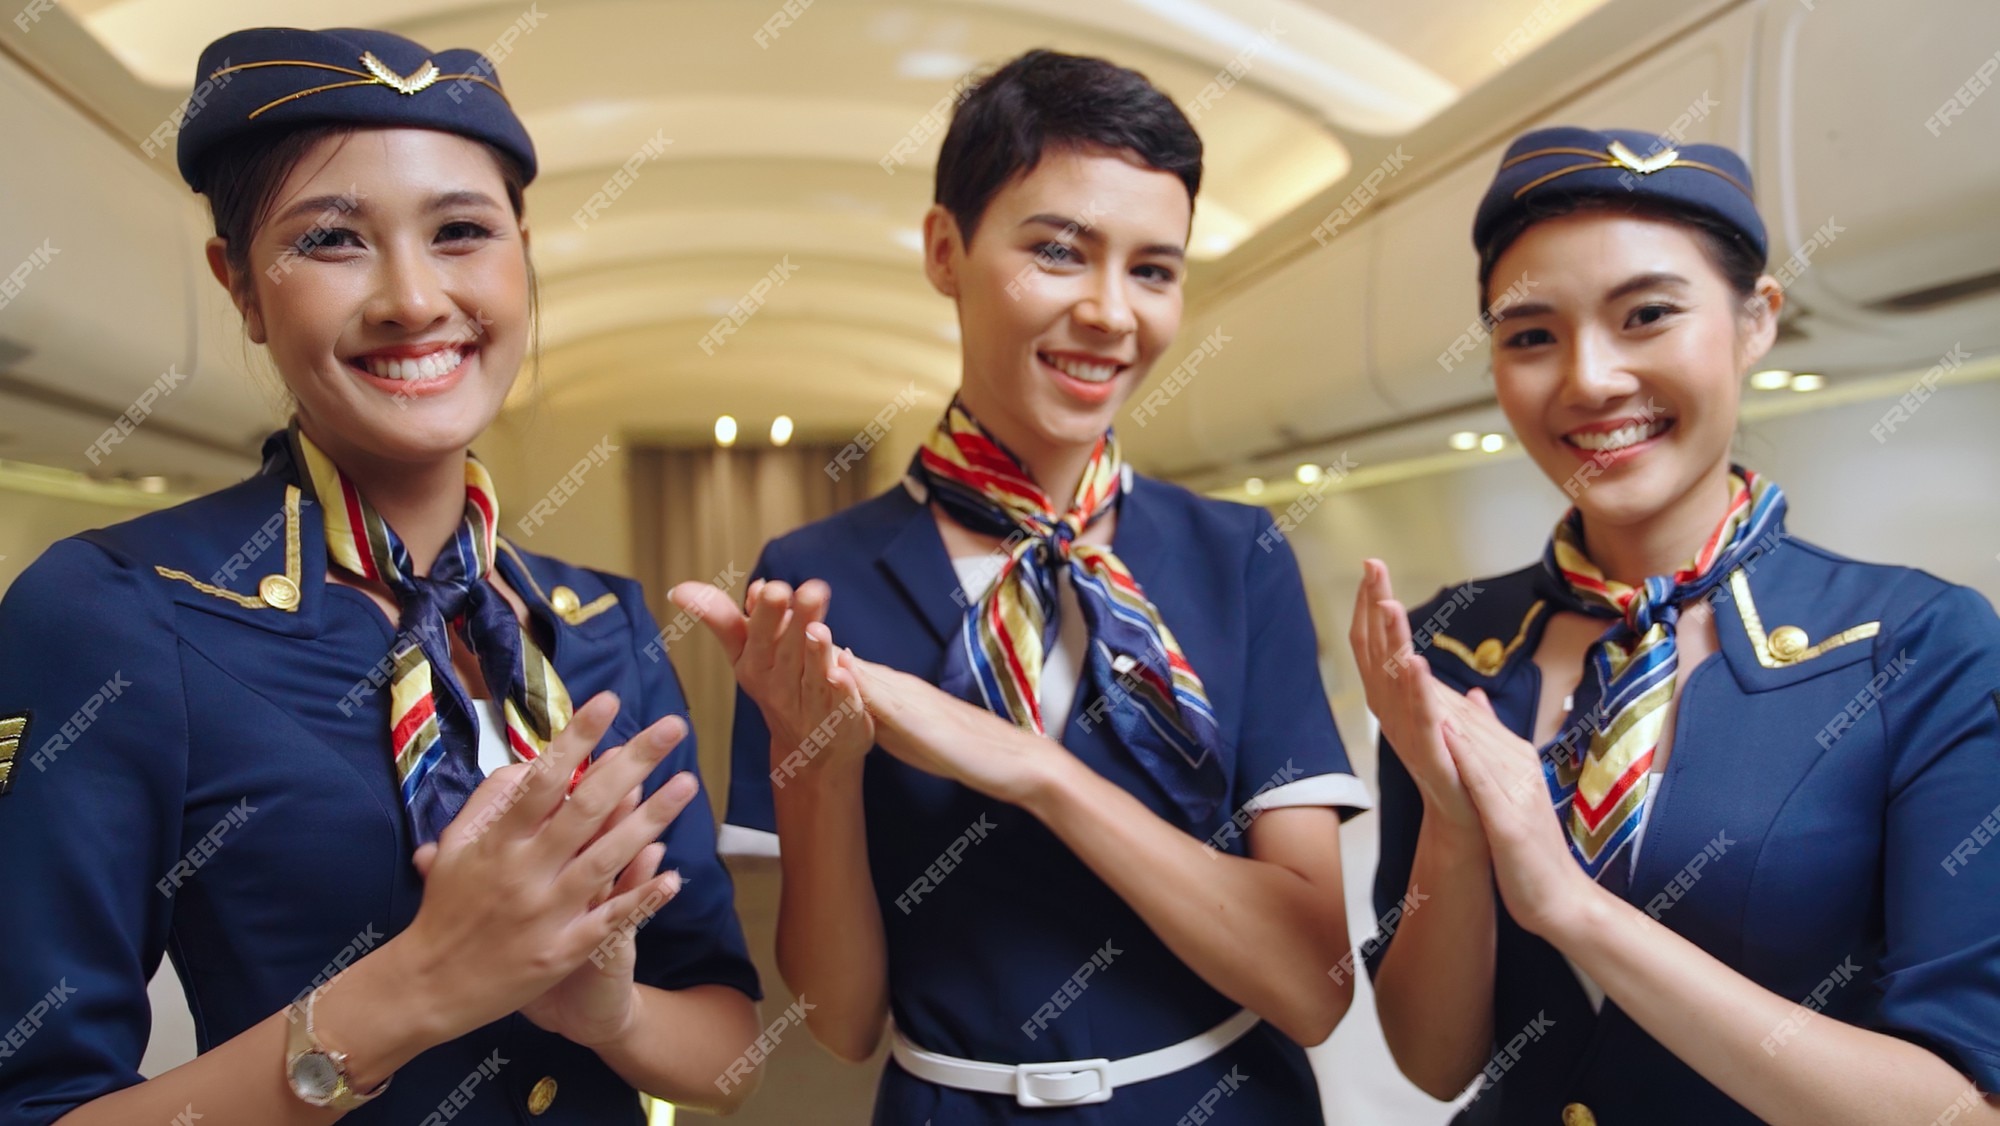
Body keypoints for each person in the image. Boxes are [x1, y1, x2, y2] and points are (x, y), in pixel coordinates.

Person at [0, 27, 760, 1125]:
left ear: (521, 256)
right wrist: (424, 983)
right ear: (242, 289)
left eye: (460, 232)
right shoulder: (115, 613)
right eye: (331, 241)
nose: (412, 297)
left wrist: (608, 1016)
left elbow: (732, 1050)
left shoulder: (597, 621)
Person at [672, 49, 1370, 1124]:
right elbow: (842, 1020)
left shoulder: (1237, 556)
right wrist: (816, 766)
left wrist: (1035, 772)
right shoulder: (814, 581)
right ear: (945, 251)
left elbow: (1311, 987)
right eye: (1057, 251)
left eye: (1152, 269)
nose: (1109, 313)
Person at [1355, 126, 2000, 1125]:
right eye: (1529, 335)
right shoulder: (1446, 642)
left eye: (1646, 315)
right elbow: (1434, 1063)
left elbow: (1956, 1107)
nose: (1587, 379)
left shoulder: (1916, 643)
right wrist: (1453, 828)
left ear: (1754, 322)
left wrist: (1566, 903)